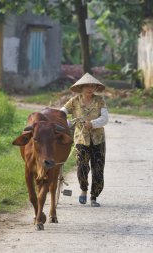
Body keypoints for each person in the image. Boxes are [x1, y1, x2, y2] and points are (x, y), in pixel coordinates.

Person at [60, 73, 109, 207]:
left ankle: (94, 197)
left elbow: (105, 118)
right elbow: (62, 112)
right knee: (82, 166)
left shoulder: (100, 101)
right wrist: (63, 121)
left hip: (98, 139)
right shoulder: (74, 101)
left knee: (98, 168)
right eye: (87, 86)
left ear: (95, 88)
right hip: (81, 139)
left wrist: (92, 123)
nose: (89, 88)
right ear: (81, 88)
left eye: (92, 86)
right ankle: (84, 190)